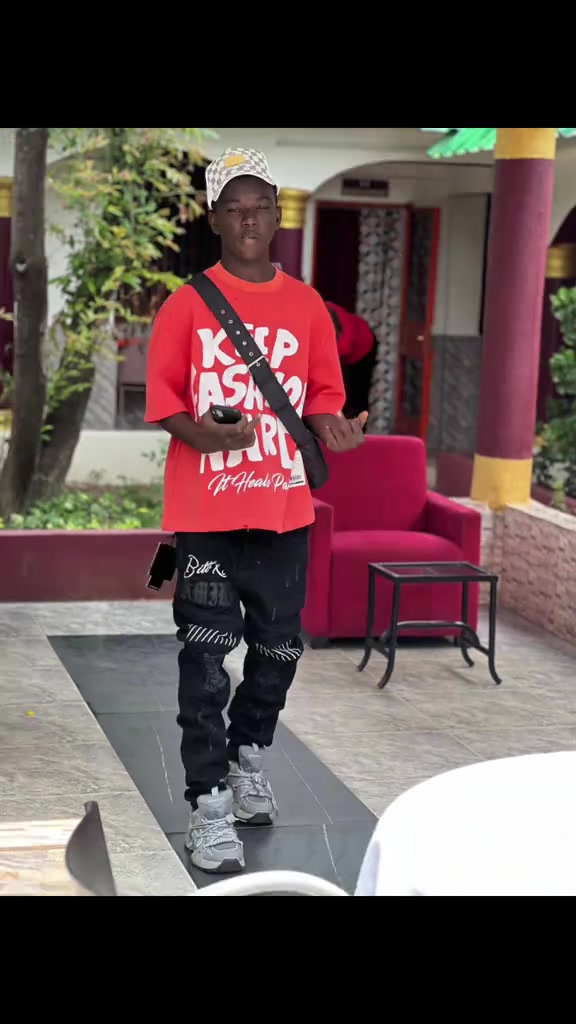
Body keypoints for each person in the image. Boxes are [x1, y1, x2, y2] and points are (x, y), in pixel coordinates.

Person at [145, 148, 367, 874]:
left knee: (277, 653)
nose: (248, 220)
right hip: (207, 513)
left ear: (276, 216)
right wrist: (205, 436)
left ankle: (247, 754)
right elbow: (166, 403)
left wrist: (334, 427)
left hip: (283, 510)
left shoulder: (306, 306)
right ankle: (208, 802)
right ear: (214, 220)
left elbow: (322, 397)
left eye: (260, 207)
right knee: (206, 658)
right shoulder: (186, 305)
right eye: (234, 209)